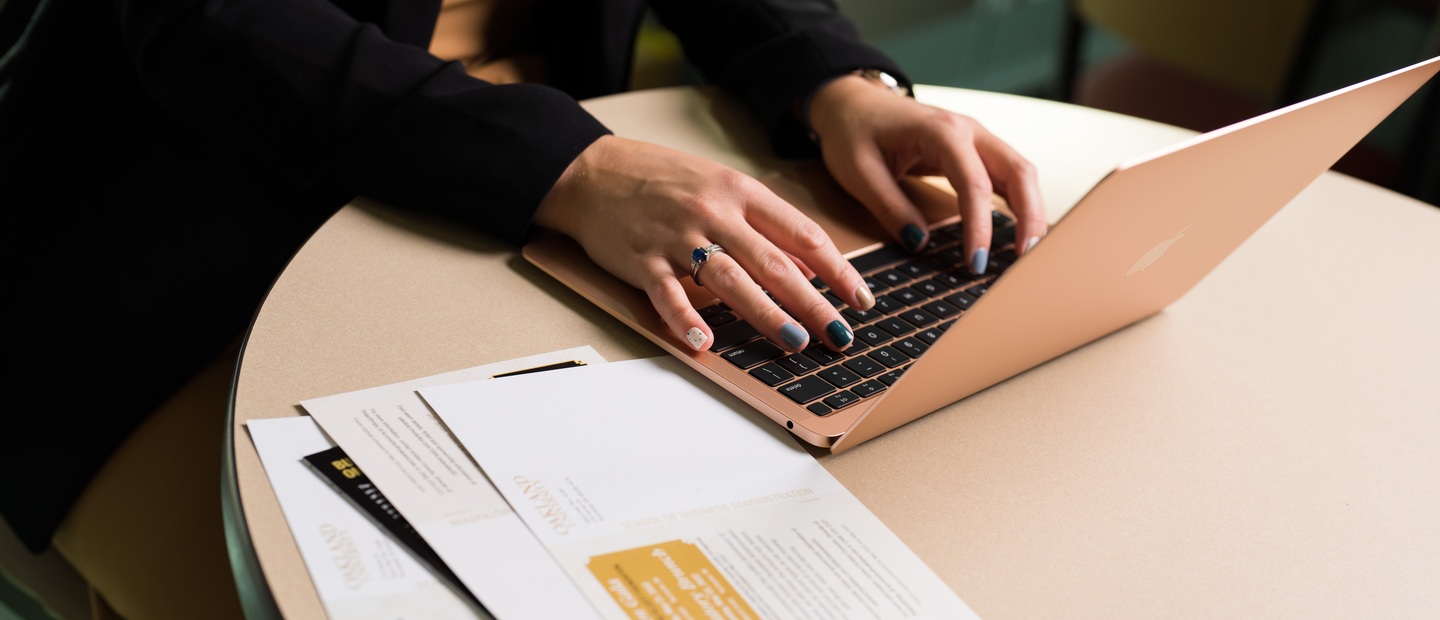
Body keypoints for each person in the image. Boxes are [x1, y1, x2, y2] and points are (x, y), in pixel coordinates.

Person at [0, 0, 1045, 616]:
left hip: (540, 201)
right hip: (179, 250)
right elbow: (207, 22)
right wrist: (575, 169)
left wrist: (832, 78)